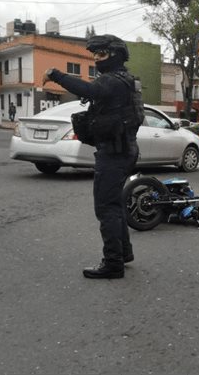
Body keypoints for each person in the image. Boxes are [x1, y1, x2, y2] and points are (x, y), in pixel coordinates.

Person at [42, 34, 139, 279]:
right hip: (121, 149)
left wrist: (56, 74)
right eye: (94, 54)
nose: (97, 59)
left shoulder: (113, 82)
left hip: (115, 152)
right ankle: (123, 253)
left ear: (115, 54)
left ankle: (113, 264)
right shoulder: (124, 79)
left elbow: (88, 89)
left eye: (101, 54)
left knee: (106, 208)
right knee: (114, 205)